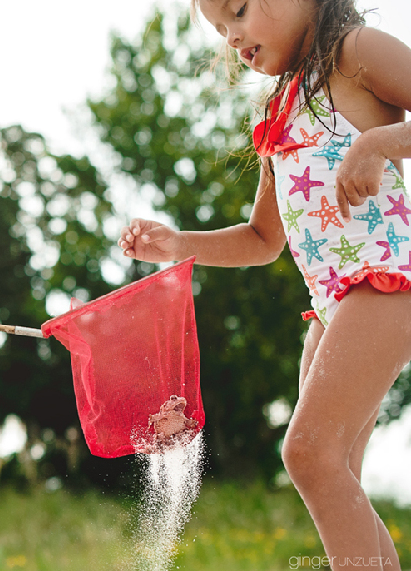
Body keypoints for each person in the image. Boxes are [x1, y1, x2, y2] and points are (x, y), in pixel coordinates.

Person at [119, 1, 411, 569]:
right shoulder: (282, 107)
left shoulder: (357, 53)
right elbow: (261, 239)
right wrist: (178, 244)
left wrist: (377, 143)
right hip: (331, 305)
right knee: (334, 471)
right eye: (220, 29)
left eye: (238, 12)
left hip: (386, 280)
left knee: (308, 453)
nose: (231, 38)